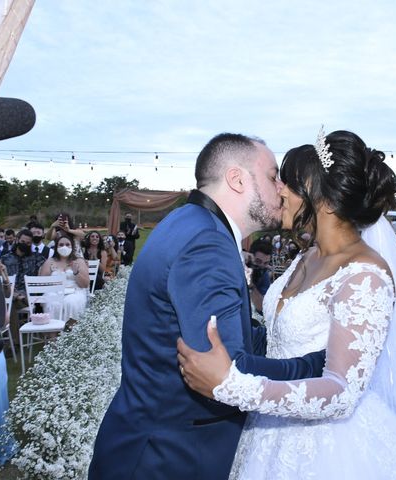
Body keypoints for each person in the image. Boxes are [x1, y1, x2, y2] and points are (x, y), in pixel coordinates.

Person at [177, 130, 396, 479]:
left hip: (331, 448)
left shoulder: (365, 274)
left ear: (319, 197)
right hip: (267, 428)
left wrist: (232, 386)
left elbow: (343, 391)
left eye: (289, 183)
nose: (279, 190)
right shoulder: (305, 257)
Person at [89, 133, 326, 480]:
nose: (281, 188)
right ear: (237, 178)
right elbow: (231, 369)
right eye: (273, 176)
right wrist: (324, 362)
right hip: (167, 457)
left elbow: (226, 335)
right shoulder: (207, 243)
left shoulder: (188, 222)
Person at [39, 232, 89, 322]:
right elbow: (42, 283)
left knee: (70, 303)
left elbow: (85, 284)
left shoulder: (79, 261)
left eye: (67, 244)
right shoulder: (50, 261)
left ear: (72, 247)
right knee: (54, 304)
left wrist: (76, 272)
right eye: (61, 245)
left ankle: (71, 332)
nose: (64, 247)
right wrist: (50, 271)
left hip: (75, 291)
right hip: (54, 292)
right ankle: (54, 332)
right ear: (56, 247)